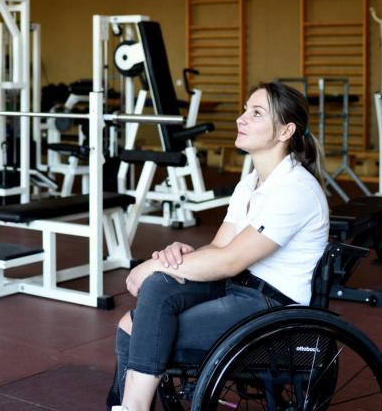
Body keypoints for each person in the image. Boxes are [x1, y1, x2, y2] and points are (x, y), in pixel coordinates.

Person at [108, 81, 330, 411]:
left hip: (271, 306)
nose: (241, 118)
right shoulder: (251, 183)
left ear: (286, 131)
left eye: (256, 113)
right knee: (156, 291)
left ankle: (131, 407)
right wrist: (176, 256)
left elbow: (228, 262)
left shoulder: (296, 189)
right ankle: (130, 406)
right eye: (245, 110)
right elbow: (219, 248)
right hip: (236, 289)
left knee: (141, 328)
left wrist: (153, 263)